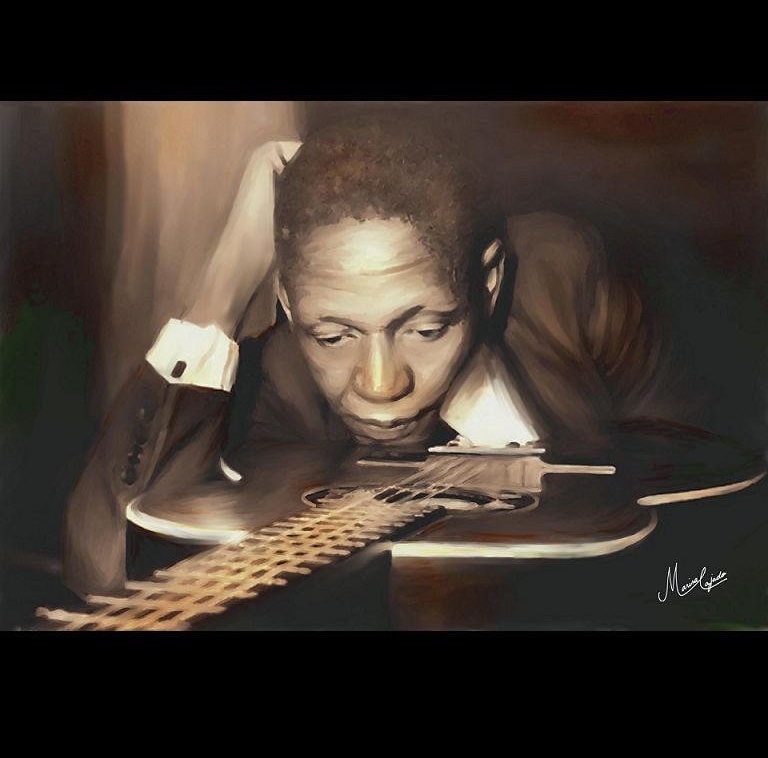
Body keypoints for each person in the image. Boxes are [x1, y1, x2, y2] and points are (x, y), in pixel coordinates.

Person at [62, 114, 677, 598]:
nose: (381, 385)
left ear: (488, 284)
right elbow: (106, 564)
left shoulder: (565, 280)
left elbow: (704, 515)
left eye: (426, 329)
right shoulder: (280, 375)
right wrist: (219, 295)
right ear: (290, 305)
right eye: (334, 337)